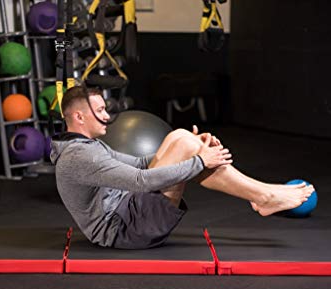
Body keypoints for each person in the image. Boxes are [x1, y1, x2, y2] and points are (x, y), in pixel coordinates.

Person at [50, 86, 315, 249]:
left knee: (181, 137)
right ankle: (265, 197)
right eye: (100, 110)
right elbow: (141, 181)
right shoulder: (80, 156)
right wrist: (199, 161)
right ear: (79, 116)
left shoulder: (88, 147)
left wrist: (193, 148)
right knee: (187, 147)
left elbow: (141, 163)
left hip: (130, 214)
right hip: (126, 232)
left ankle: (264, 195)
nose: (107, 116)